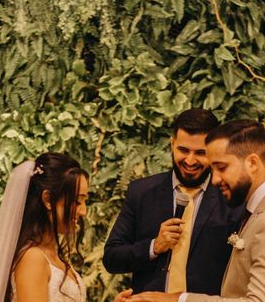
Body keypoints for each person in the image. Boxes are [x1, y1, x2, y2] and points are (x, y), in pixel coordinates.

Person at [129, 119, 265, 302]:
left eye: (221, 167)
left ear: (252, 163)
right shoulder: (264, 209)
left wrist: (179, 299)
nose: (214, 180)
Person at [103, 109, 242, 295]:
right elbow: (112, 258)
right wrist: (154, 246)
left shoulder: (232, 198)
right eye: (183, 150)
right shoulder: (142, 192)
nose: (190, 161)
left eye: (200, 153)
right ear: (172, 144)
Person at [0, 152, 133, 302]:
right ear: (47, 200)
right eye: (76, 201)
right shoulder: (33, 258)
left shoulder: (52, 254)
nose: (83, 211)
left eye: (84, 201)